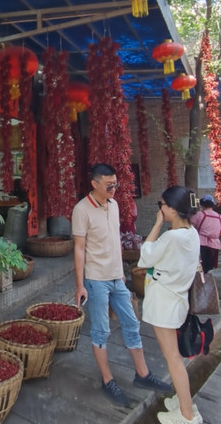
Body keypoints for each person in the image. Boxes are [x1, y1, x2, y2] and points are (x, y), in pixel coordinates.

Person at [72, 163, 170, 408]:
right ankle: (108, 380)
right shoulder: (81, 210)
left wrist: (122, 273)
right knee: (101, 330)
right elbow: (79, 248)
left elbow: (114, 240)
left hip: (117, 278)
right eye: (109, 185)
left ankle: (143, 374)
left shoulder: (114, 205)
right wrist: (80, 285)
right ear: (94, 184)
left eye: (115, 184)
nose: (114, 189)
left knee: (132, 323)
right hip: (96, 280)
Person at [137, 186, 203, 424]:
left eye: (161, 205)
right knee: (174, 357)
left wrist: (156, 225)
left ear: (173, 209)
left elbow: (145, 257)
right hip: (177, 300)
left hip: (165, 302)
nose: (160, 209)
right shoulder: (191, 233)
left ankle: (187, 417)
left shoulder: (172, 238)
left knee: (172, 358)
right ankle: (184, 402)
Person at [190, 195, 221, 272]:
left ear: (202, 204)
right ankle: (209, 277)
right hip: (214, 244)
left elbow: (191, 226)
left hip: (201, 242)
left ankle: (201, 278)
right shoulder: (219, 216)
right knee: (210, 265)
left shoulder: (199, 214)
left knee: (200, 265)